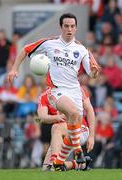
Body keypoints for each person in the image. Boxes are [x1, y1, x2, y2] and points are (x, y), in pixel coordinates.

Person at [6, 13, 100, 170]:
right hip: (56, 90)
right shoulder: (50, 43)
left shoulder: (81, 49)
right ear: (61, 27)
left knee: (72, 131)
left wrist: (95, 72)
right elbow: (25, 49)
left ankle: (60, 162)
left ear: (76, 28)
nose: (69, 29)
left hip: (75, 91)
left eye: (72, 26)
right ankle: (77, 151)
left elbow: (92, 73)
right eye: (66, 26)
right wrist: (14, 69)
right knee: (73, 114)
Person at [36, 85, 95, 171]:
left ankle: (54, 162)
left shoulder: (75, 88)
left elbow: (89, 109)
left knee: (56, 127)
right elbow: (41, 117)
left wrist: (92, 136)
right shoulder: (44, 96)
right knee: (46, 169)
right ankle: (79, 165)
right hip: (60, 134)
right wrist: (56, 118)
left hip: (80, 129)